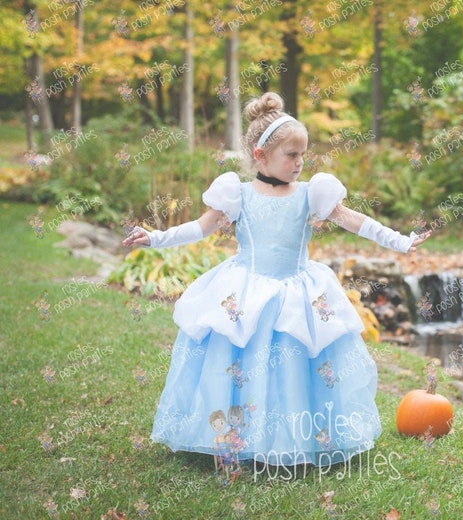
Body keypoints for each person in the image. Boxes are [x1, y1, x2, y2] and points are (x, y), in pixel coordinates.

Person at [123, 92, 430, 472]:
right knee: (240, 362)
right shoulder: (237, 194)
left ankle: (297, 436)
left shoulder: (310, 194)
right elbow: (200, 229)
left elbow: (354, 220)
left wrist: (400, 240)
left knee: (294, 367)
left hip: (297, 292)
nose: (300, 163)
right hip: (246, 291)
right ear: (260, 155)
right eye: (291, 155)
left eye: (304, 154)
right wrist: (155, 237)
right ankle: (236, 437)